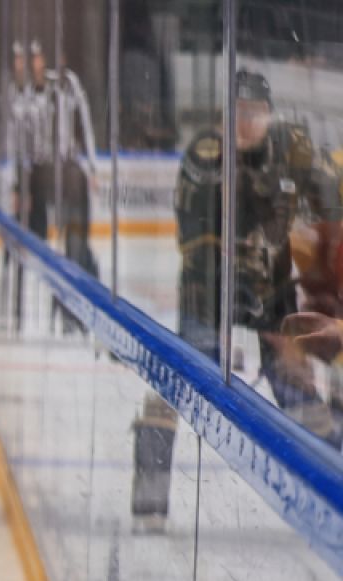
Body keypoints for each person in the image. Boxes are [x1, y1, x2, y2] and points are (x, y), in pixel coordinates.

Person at [131, 71, 343, 529]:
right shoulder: (205, 156)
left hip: (272, 293)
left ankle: (333, 494)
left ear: (269, 115)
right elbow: (201, 244)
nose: (247, 122)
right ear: (224, 116)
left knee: (302, 397)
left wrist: (329, 198)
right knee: (172, 387)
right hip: (208, 294)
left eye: (256, 113)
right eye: (238, 113)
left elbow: (332, 196)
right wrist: (233, 312)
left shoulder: (291, 148)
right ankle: (148, 506)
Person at [8, 39, 99, 281]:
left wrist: (92, 168)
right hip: (38, 169)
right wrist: (19, 184)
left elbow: (85, 124)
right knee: (33, 230)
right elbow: (19, 143)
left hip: (67, 166)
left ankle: (81, 270)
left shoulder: (67, 83)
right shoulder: (21, 93)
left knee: (76, 235)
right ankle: (31, 268)